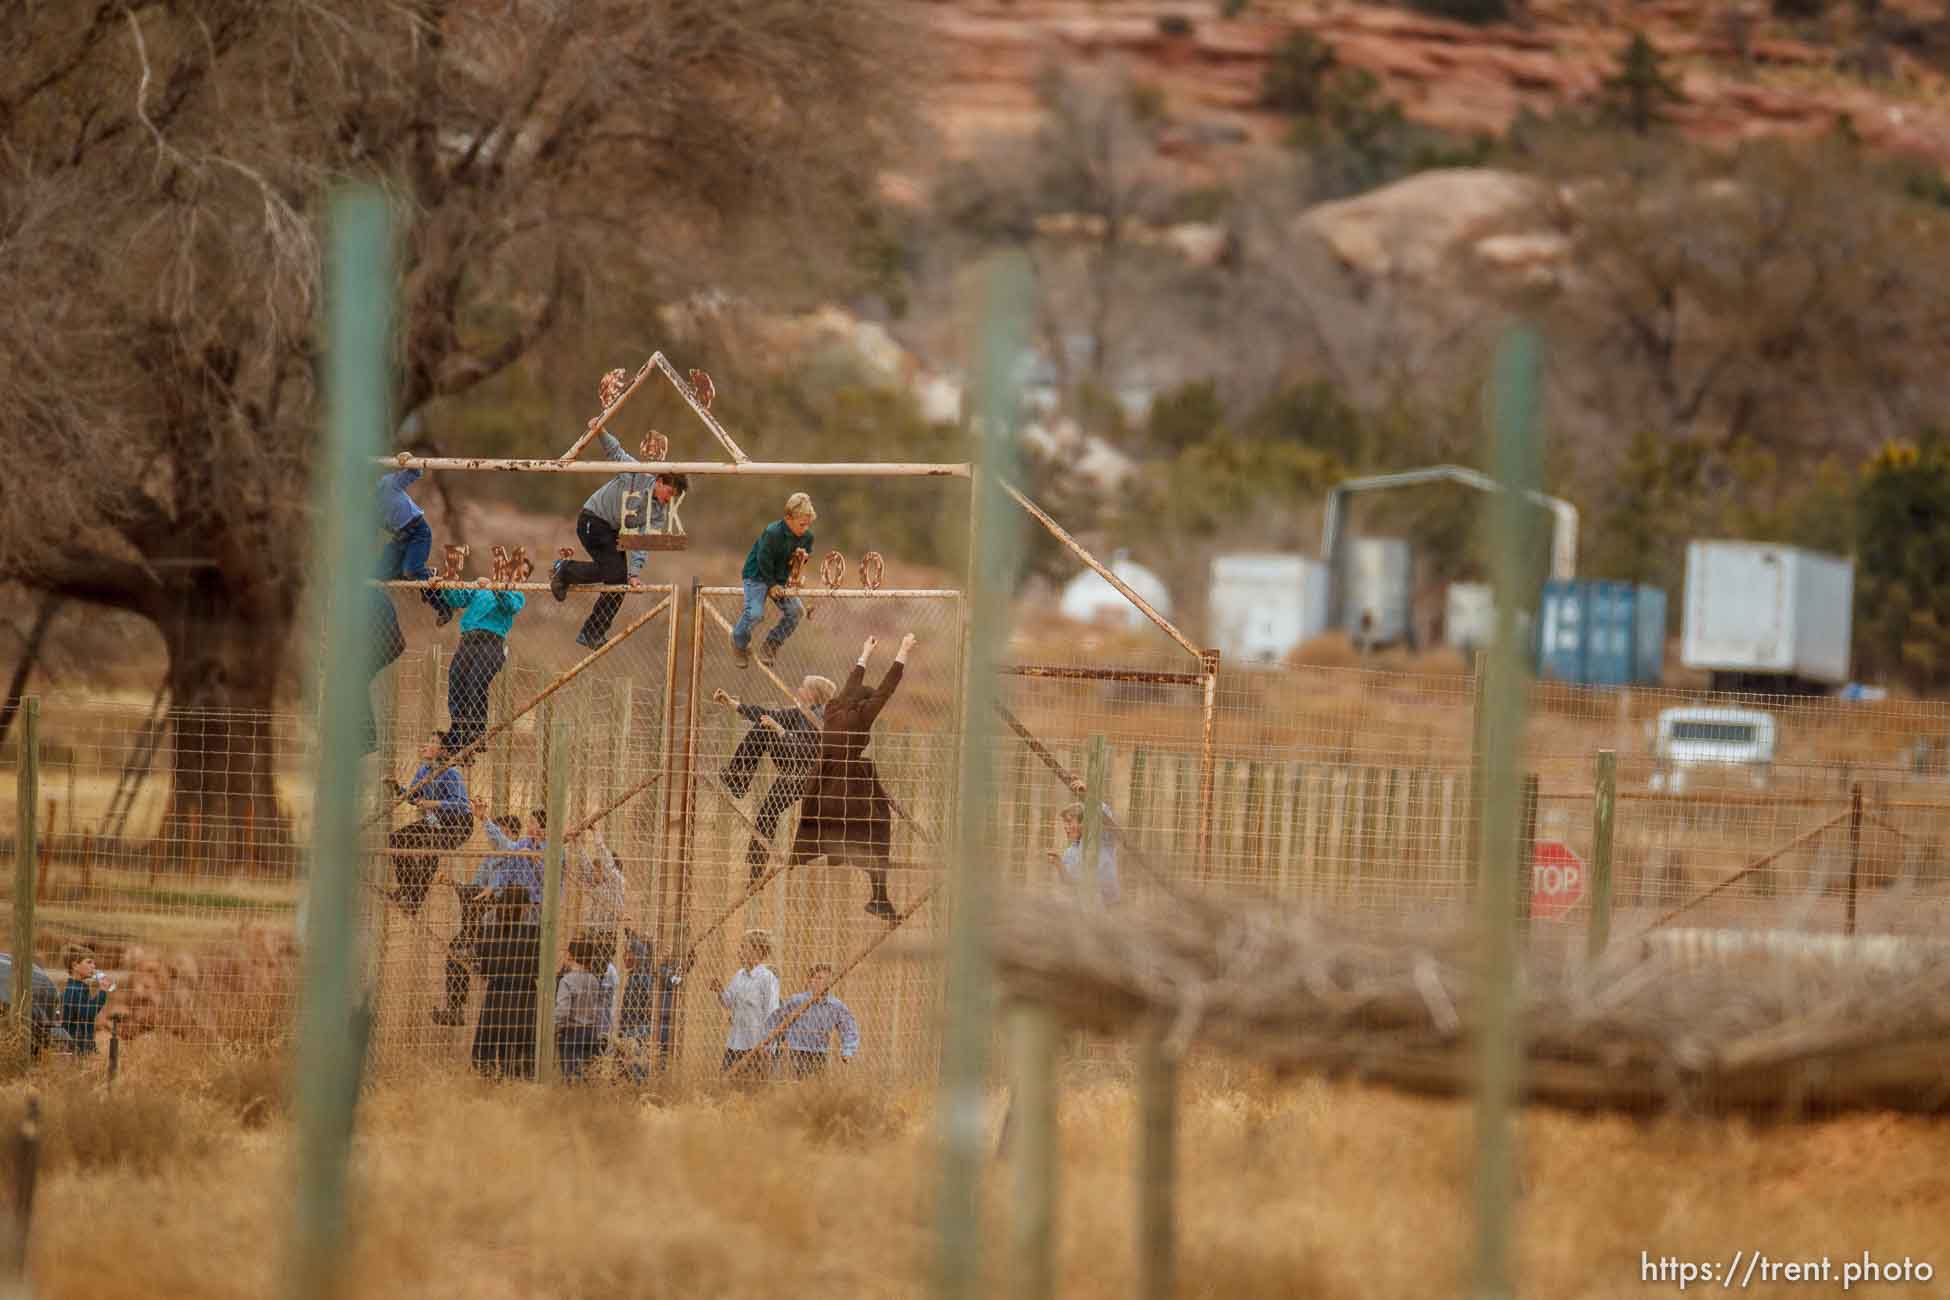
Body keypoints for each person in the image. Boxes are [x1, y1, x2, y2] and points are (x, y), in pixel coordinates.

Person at [788, 634, 917, 921]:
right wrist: (903, 650)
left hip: (822, 785)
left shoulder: (834, 708)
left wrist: (865, 652)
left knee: (842, 826)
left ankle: (829, 850)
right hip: (848, 787)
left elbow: (852, 683)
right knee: (878, 826)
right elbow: (886, 689)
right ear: (864, 704)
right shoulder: (863, 715)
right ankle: (879, 896)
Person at [548, 422, 690, 649]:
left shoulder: (659, 511)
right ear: (660, 481)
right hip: (593, 519)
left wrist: (635, 573)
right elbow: (615, 452)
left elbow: (642, 540)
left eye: (673, 498)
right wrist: (600, 430)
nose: (668, 500)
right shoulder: (636, 472)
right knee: (613, 573)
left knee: (620, 580)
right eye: (669, 493)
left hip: (612, 529)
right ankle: (564, 571)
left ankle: (591, 631)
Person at [714, 674, 836, 881]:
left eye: (803, 688)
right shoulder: (800, 713)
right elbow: (766, 714)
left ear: (814, 694)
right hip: (791, 767)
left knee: (769, 810)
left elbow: (806, 751)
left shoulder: (823, 717)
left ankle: (739, 778)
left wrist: (778, 729)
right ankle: (756, 869)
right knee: (767, 812)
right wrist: (733, 704)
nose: (798, 691)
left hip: (807, 775)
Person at [434, 809, 542, 1027]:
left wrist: (490, 891)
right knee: (455, 950)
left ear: (511, 835)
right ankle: (455, 1008)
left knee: (481, 903)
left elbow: (515, 890)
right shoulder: (491, 858)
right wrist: (457, 885)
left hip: (509, 910)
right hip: (483, 910)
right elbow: (476, 887)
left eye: (500, 833)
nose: (495, 839)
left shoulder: (519, 853)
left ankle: (476, 946)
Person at [434, 583, 527, 756]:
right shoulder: (480, 589)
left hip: (491, 642)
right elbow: (458, 599)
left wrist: (498, 589)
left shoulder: (517, 594)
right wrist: (447, 585)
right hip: (468, 640)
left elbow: (510, 606)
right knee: (456, 679)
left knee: (475, 682)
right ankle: (459, 729)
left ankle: (477, 730)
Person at [387, 736, 476, 916]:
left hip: (458, 823)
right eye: (427, 740)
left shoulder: (451, 773)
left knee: (431, 846)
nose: (426, 744)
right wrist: (397, 788)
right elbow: (414, 797)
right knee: (398, 838)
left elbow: (461, 804)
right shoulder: (424, 770)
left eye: (432, 741)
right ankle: (408, 888)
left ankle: (415, 899)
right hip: (436, 821)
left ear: (443, 750)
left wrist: (434, 804)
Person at [730, 493, 816, 668]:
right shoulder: (773, 533)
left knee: (796, 611)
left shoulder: (807, 537)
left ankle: (771, 644)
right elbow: (763, 559)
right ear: (788, 518)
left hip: (781, 578)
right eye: (802, 524)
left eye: (809, 524)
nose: (805, 528)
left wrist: (802, 560)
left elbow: (799, 562)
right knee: (755, 613)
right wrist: (771, 585)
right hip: (758, 575)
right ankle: (739, 642)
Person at [472, 886, 543, 1080]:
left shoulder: (490, 923)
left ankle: (490, 1074)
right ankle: (519, 1076)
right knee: (521, 1038)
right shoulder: (532, 930)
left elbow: (480, 957)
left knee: (497, 1035)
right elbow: (538, 962)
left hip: (497, 990)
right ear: (522, 906)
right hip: (524, 990)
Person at [377, 465, 451, 624]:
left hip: (418, 532)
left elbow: (416, 471)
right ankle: (424, 572)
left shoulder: (388, 484)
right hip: (400, 538)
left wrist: (408, 461)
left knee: (412, 570)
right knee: (380, 573)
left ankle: (442, 606)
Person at [766, 963, 860, 1079]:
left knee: (813, 1087)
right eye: (818, 978)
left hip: (819, 1053)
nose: (822, 982)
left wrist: (847, 1050)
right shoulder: (797, 1001)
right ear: (811, 980)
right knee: (791, 1085)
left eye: (827, 979)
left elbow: (849, 1028)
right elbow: (775, 1020)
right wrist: (769, 1044)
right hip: (795, 1051)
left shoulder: (835, 1006)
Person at [710, 929, 779, 1074]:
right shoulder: (739, 975)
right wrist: (720, 990)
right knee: (726, 1083)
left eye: (744, 947)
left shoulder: (767, 978)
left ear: (757, 951)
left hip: (755, 1045)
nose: (739, 951)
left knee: (750, 1089)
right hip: (735, 1041)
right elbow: (728, 1002)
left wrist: (768, 1046)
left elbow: (772, 1012)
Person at [1047, 801, 1121, 908]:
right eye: (1064, 823)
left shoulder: (1102, 840)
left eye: (1069, 822)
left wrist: (1088, 795)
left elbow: (1105, 815)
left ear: (1084, 823)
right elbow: (1070, 881)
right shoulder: (1070, 851)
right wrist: (1058, 863)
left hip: (1110, 906)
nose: (1065, 827)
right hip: (1087, 906)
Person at [554, 935, 607, 1080]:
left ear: (570, 956)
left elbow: (563, 1011)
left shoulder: (567, 981)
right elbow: (598, 1009)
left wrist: (554, 1026)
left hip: (571, 1033)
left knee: (570, 1076)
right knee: (588, 1075)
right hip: (590, 1032)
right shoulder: (594, 980)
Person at [58, 945, 113, 1054]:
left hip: (83, 1046)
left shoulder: (80, 988)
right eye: (89, 962)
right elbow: (89, 1013)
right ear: (75, 966)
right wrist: (102, 991)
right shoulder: (73, 991)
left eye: (94, 963)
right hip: (76, 1050)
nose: (94, 966)